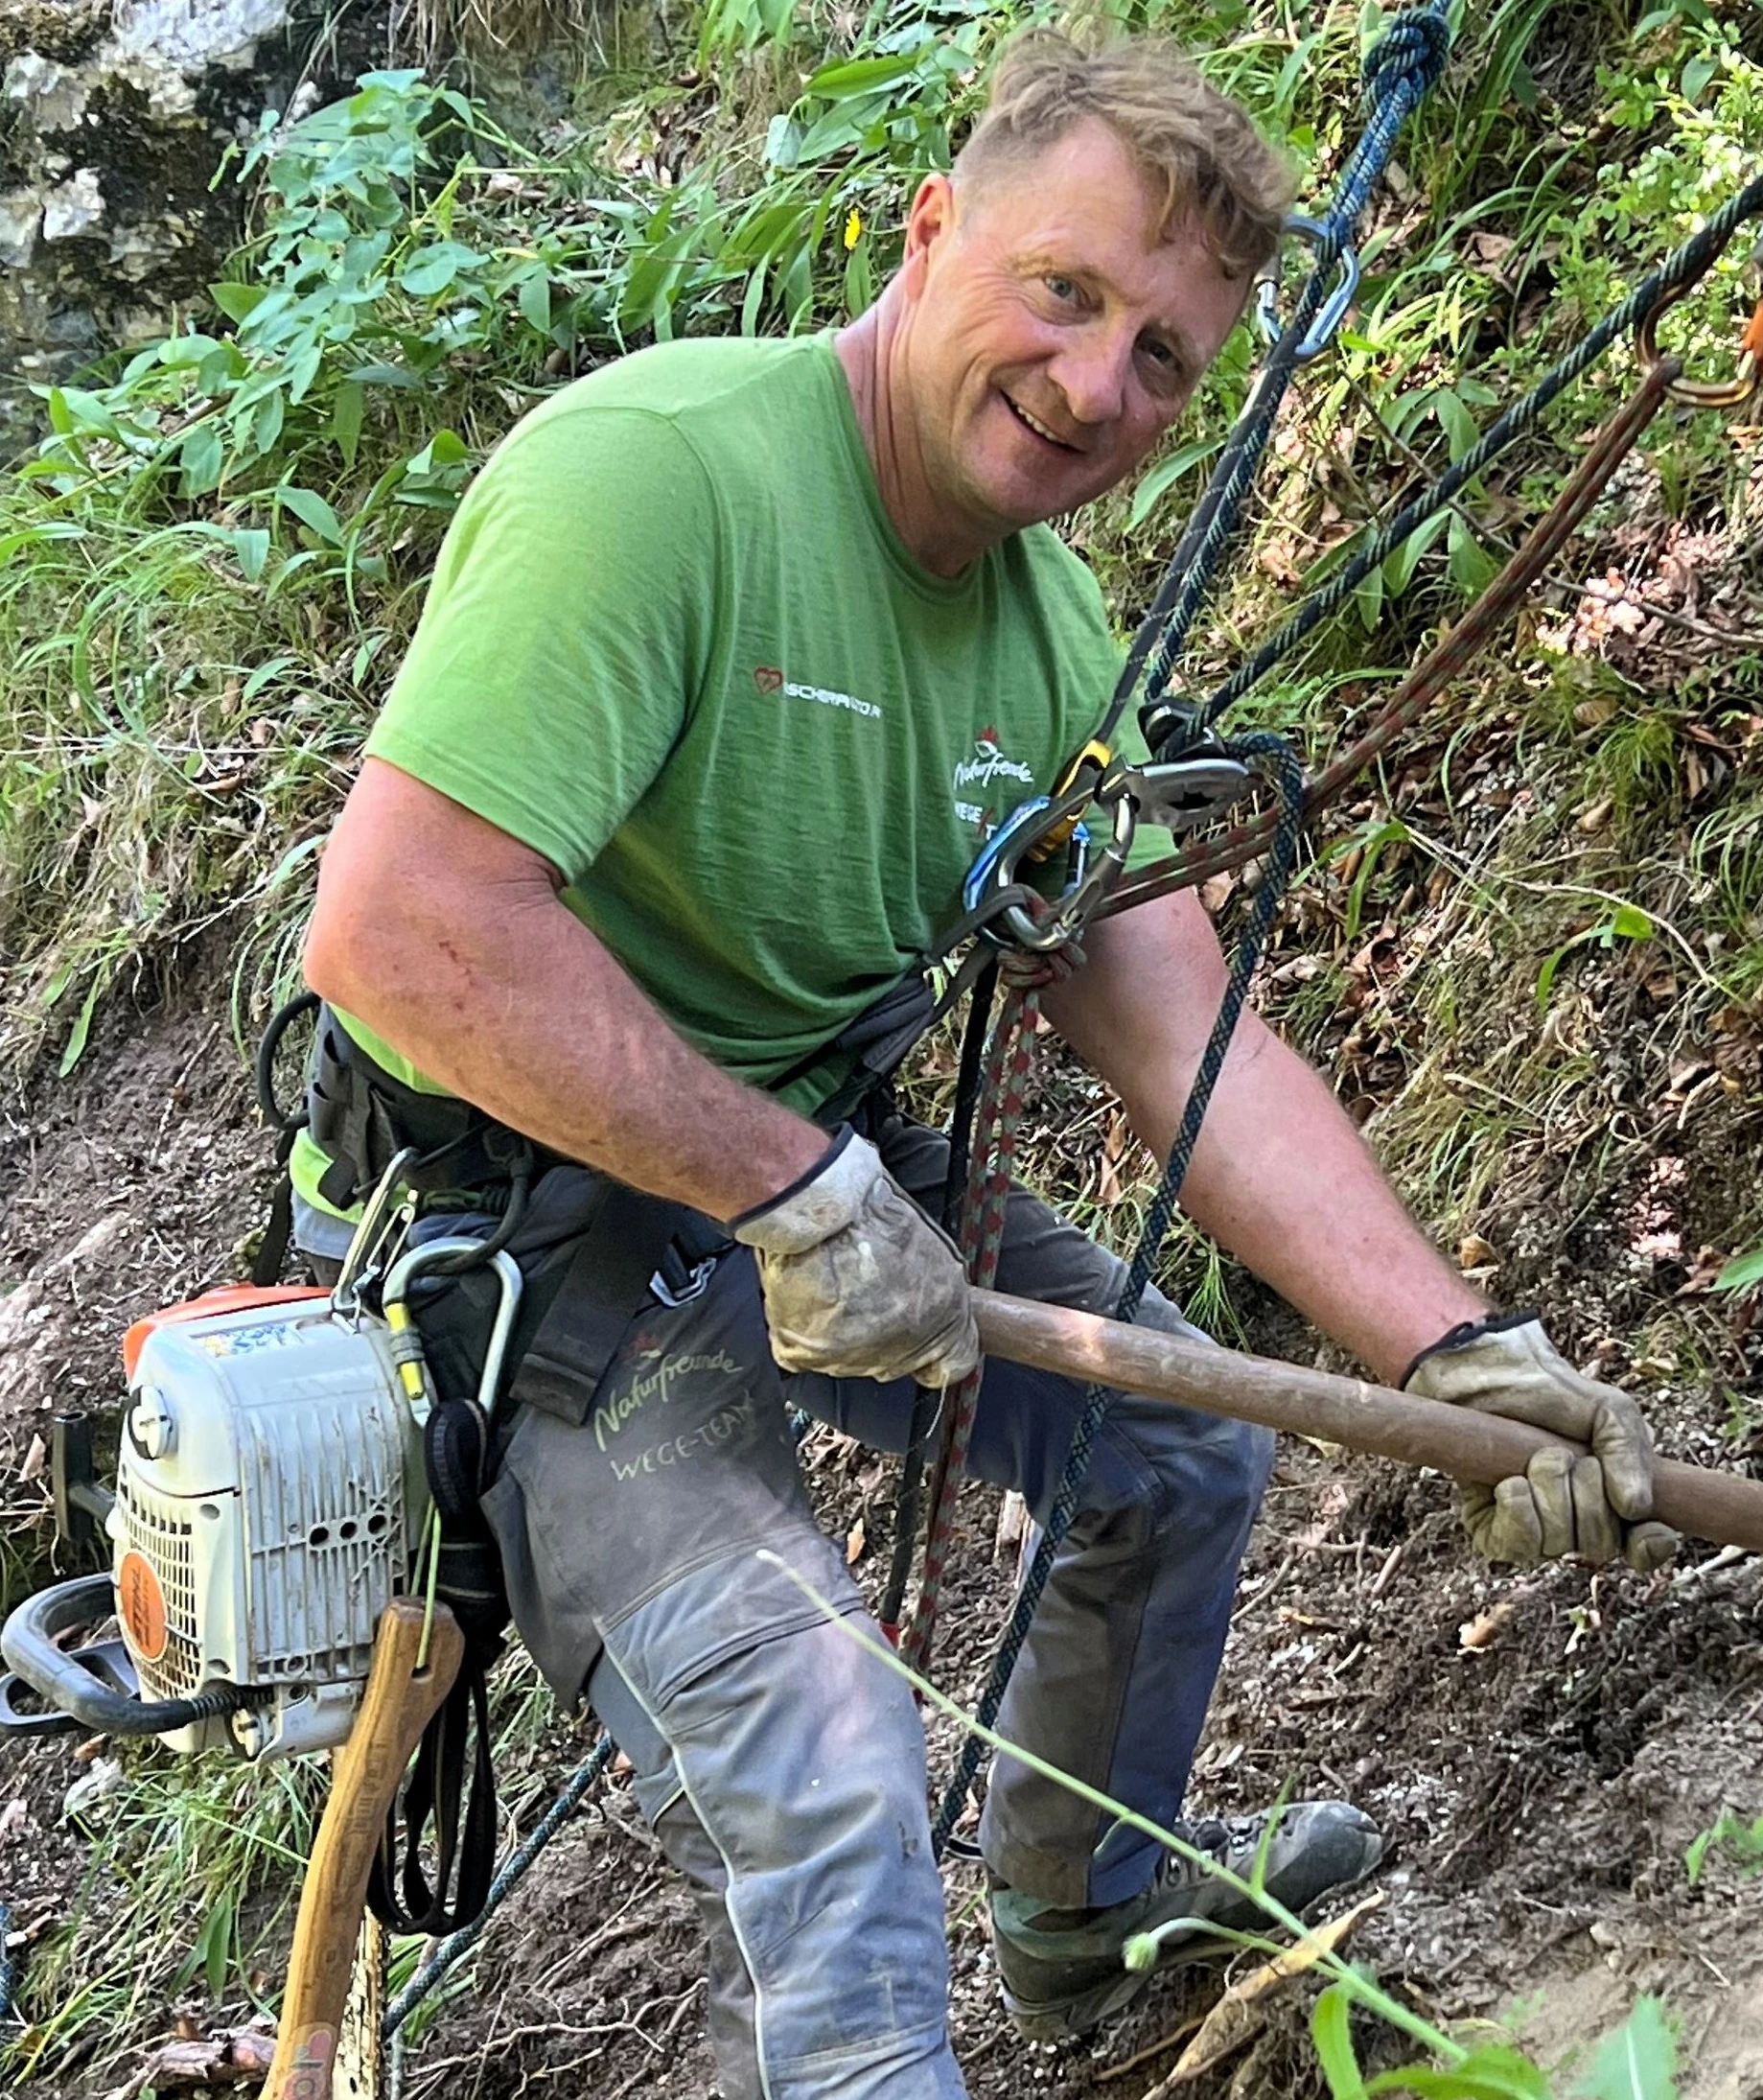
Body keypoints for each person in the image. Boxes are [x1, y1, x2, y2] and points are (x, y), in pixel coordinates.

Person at [291, 31, 1678, 2100]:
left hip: (806, 1181)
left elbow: (1166, 1010)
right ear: (931, 229)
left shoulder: (1045, 642)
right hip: (523, 1229)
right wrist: (783, 1185)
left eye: (1164, 359)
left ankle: (1081, 1911)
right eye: (1066, 293)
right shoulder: (661, 481)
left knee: (1178, 1458)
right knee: (820, 1741)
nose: (1098, 385)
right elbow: (402, 930)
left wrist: (1449, 1355)